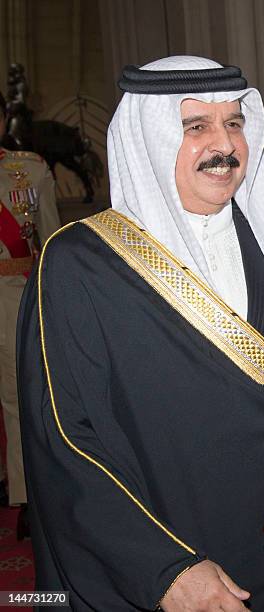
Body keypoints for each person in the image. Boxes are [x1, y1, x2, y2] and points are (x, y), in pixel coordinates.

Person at [17, 56, 264, 611]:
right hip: (172, 565)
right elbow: (66, 443)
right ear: (152, 138)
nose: (226, 145)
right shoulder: (77, 266)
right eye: (197, 127)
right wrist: (162, 570)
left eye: (235, 123)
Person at [0, 91, 60, 538]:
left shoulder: (28, 169)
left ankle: (24, 493)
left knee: (16, 395)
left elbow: (53, 241)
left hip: (11, 293)